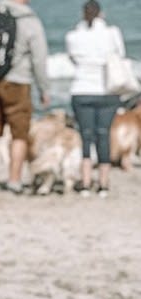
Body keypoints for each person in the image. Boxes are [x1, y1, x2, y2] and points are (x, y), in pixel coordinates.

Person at [0, 0, 50, 193]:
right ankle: (14, 180)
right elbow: (39, 57)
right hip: (18, 82)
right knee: (19, 134)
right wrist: (44, 88)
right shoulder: (29, 19)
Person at [66, 1, 126, 197]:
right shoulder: (112, 33)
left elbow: (73, 60)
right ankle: (103, 183)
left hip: (81, 90)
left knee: (85, 135)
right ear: (101, 14)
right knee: (103, 134)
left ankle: (85, 182)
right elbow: (120, 55)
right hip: (107, 91)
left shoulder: (73, 36)